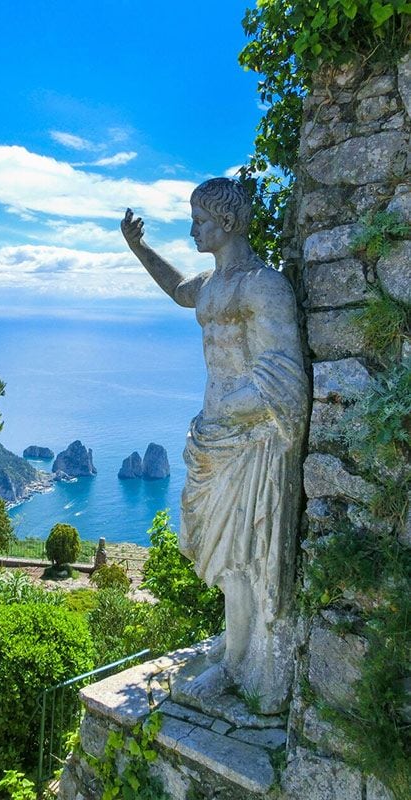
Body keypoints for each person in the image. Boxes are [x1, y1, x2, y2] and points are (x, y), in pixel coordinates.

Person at [121, 178, 308, 713]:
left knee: (244, 550)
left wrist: (227, 409)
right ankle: (234, 645)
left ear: (227, 222)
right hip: (215, 437)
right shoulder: (210, 284)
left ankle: (238, 664)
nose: (193, 228)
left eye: (200, 220)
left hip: (251, 439)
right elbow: (179, 288)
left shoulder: (263, 287)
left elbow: (284, 377)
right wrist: (139, 250)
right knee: (223, 552)